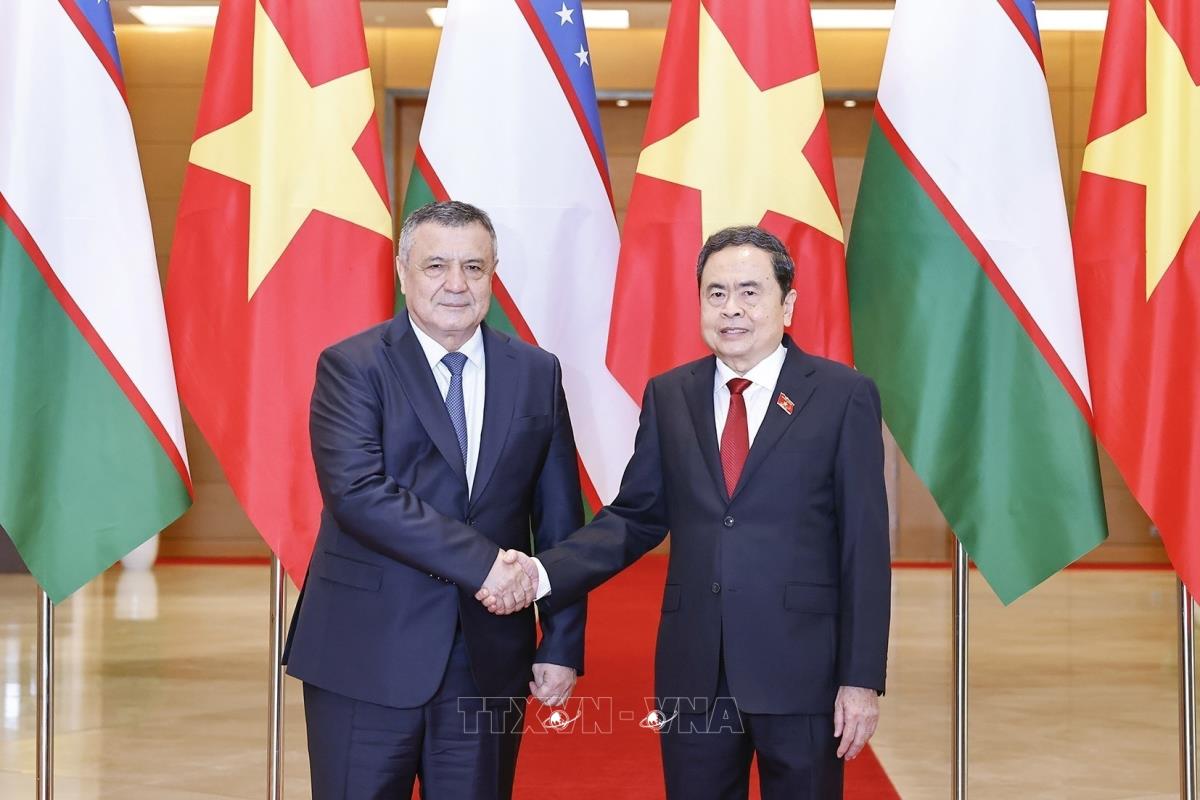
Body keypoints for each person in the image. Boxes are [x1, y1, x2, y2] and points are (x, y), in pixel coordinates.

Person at [485, 225, 891, 799]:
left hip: (804, 671)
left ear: (788, 304)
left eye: (750, 292)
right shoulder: (670, 394)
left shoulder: (842, 395)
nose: (732, 309)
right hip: (694, 671)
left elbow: (864, 548)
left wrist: (860, 678)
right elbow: (635, 518)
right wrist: (542, 572)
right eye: (716, 293)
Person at [284, 201, 583, 799]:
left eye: (474, 267)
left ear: (493, 274)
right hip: (365, 654)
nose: (456, 283)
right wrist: (484, 564)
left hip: (487, 661)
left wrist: (563, 641)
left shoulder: (536, 372)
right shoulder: (352, 366)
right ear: (403, 272)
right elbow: (358, 493)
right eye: (436, 265)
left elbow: (559, 518)